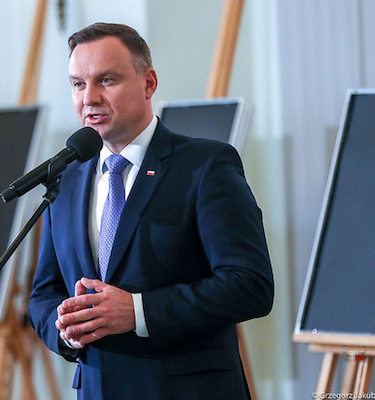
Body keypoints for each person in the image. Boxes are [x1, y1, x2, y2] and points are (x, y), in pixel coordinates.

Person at [28, 22, 274, 400]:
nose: (89, 97)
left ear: (148, 83)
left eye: (106, 80)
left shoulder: (205, 165)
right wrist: (65, 329)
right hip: (97, 388)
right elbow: (44, 293)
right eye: (78, 84)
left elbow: (250, 285)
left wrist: (139, 311)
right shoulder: (67, 179)